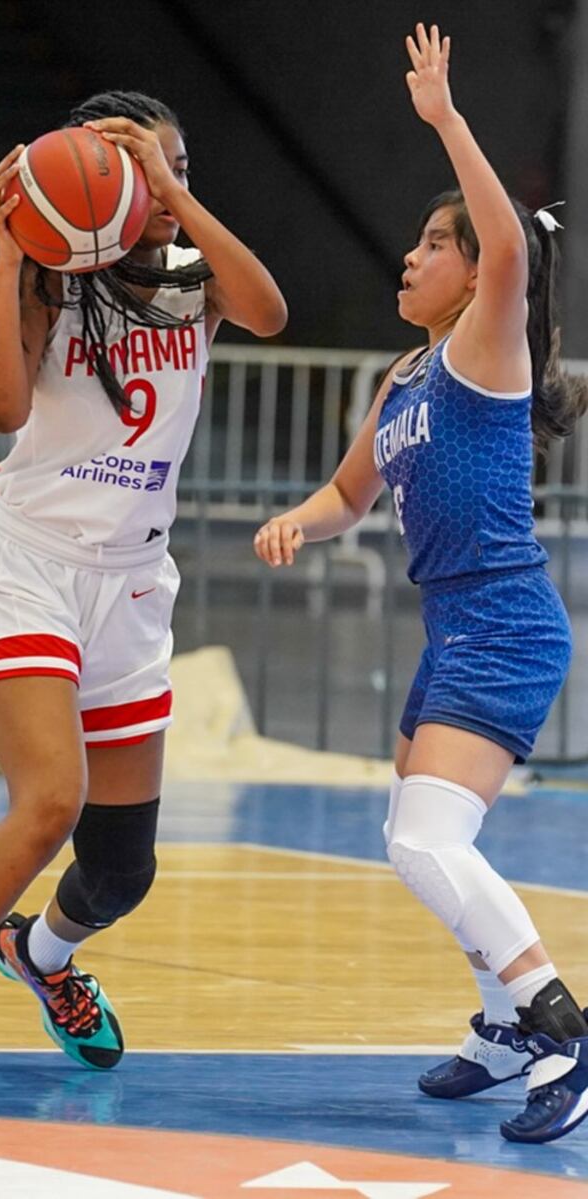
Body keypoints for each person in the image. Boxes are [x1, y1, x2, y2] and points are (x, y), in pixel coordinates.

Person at [0, 91, 287, 1111]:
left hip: (133, 582)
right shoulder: (52, 279)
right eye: (148, 170)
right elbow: (2, 406)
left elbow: (268, 310)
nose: (170, 190)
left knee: (122, 871)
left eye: (181, 168)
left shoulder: (189, 279)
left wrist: (170, 188)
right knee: (50, 799)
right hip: (30, 565)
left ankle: (40, 951)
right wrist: (8, 256)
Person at [254, 26, 588, 1145]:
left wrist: (446, 118)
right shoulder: (402, 379)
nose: (408, 258)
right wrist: (296, 521)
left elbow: (509, 246)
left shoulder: (484, 346)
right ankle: (502, 1025)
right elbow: (348, 493)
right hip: (458, 632)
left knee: (422, 842)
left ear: (468, 271)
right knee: (423, 831)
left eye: (427, 245)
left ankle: (558, 1023)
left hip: (502, 622)